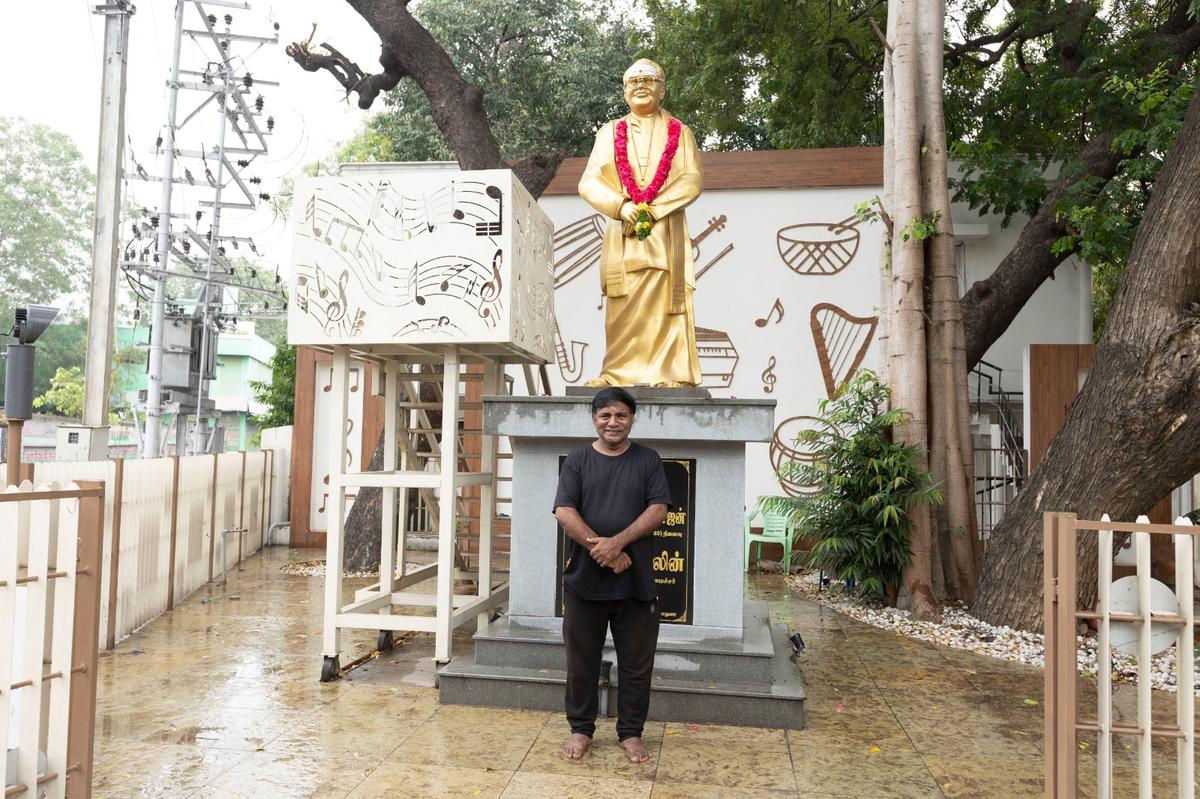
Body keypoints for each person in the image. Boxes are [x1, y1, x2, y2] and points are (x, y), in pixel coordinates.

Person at [552, 387, 671, 763]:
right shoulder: (577, 460)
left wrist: (617, 543)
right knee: (580, 663)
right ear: (594, 419)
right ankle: (580, 730)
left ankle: (631, 734)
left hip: (635, 586)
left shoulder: (648, 460)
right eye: (605, 415)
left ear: (632, 419)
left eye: (620, 415)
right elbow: (564, 511)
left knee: (636, 666)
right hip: (585, 583)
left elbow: (658, 510)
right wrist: (601, 551)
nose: (613, 422)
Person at [578, 58, 703, 387]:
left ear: (662, 90)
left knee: (667, 306)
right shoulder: (609, 133)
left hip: (665, 234)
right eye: (634, 82)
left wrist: (653, 210)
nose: (641, 86)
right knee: (623, 309)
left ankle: (672, 373)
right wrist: (622, 207)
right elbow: (589, 182)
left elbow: (691, 180)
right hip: (624, 235)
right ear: (624, 92)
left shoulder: (681, 132)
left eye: (649, 81)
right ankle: (616, 374)